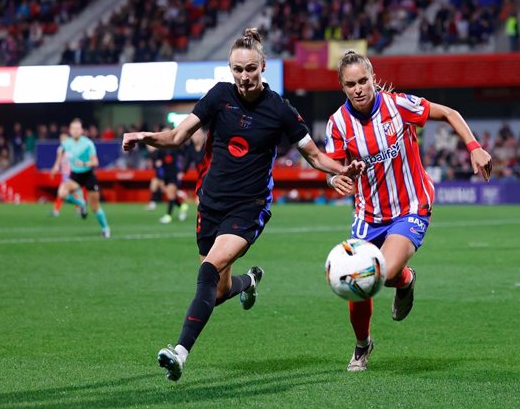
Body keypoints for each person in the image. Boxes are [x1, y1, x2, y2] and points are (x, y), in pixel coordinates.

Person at [122, 28, 364, 382]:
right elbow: (177, 136)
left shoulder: (279, 108)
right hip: (211, 206)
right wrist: (146, 138)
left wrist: (342, 169)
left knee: (206, 271)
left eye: (250, 69)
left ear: (263, 66)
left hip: (248, 208)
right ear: (230, 69)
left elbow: (312, 154)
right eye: (237, 69)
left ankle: (180, 353)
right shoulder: (219, 97)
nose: (244, 76)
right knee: (217, 289)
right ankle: (247, 282)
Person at [324, 50, 492, 371]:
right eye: (350, 84)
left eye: (363, 80)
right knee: (354, 283)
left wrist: (474, 147)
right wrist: (337, 178)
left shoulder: (398, 106)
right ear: (342, 87)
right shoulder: (338, 124)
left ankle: (402, 279)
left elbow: (450, 113)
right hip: (367, 214)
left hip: (411, 205)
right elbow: (332, 166)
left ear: (373, 77)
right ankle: (363, 345)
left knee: (377, 273)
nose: (358, 88)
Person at [52, 119, 111, 238]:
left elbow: (95, 162)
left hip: (88, 174)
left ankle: (106, 228)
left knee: (95, 207)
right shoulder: (67, 143)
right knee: (62, 193)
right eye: (73, 128)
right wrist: (56, 165)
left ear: (82, 130)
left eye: (78, 128)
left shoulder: (88, 143)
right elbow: (60, 151)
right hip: (75, 175)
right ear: (70, 130)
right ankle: (81, 203)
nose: (75, 131)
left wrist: (84, 164)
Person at [50, 132, 77, 217]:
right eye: (61, 139)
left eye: (64, 139)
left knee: (61, 192)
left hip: (71, 174)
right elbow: (58, 162)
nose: (62, 141)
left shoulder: (72, 149)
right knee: (72, 193)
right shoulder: (60, 149)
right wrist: (54, 169)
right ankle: (80, 208)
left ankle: (56, 210)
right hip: (64, 174)